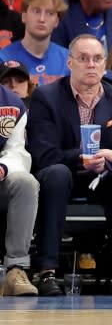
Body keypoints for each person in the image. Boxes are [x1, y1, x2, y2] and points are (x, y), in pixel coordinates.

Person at [28, 35, 112, 295]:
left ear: (105, 63)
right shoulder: (46, 96)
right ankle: (47, 271)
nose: (91, 64)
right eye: (83, 58)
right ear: (70, 62)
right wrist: (89, 156)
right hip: (64, 174)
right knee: (55, 174)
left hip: (104, 178)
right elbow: (45, 155)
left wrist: (106, 160)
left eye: (97, 59)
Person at [0, 76, 37, 295]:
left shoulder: (12, 104)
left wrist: (3, 167)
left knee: (25, 182)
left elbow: (17, 151)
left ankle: (16, 269)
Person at [0, 0, 69, 86]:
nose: (42, 19)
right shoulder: (3, 58)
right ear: (24, 16)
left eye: (50, 13)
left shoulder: (68, 60)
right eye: (36, 11)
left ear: (57, 21)